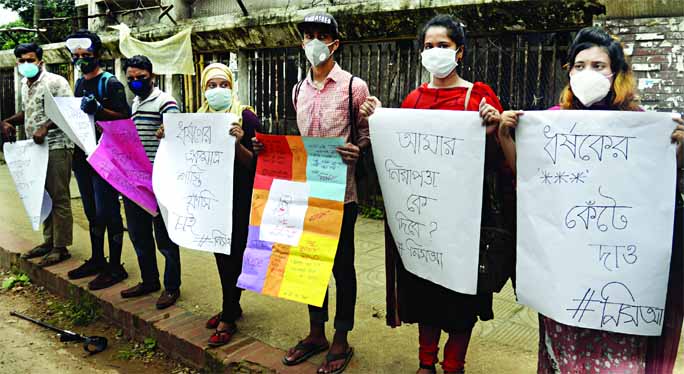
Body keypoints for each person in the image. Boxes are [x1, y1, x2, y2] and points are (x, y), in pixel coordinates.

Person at [498, 27, 684, 373]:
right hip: (565, 269)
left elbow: (662, 183)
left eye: (599, 66)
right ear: (568, 71)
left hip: (619, 276)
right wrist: (506, 136)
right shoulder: (551, 122)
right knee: (566, 352)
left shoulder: (642, 125)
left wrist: (681, 148)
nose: (588, 73)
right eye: (579, 65)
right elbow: (529, 178)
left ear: (616, 73)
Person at [363, 15, 510, 374]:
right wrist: (379, 121)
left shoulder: (479, 97)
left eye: (442, 45)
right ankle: (425, 362)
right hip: (423, 220)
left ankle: (453, 364)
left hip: (465, 223)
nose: (434, 52)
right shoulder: (413, 99)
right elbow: (400, 159)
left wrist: (494, 129)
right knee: (424, 290)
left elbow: (498, 162)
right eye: (428, 46)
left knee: (462, 296)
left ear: (459, 52)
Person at [252, 11, 378, 374]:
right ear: (301, 41)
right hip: (304, 193)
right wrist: (267, 154)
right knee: (308, 263)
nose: (314, 41)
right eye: (308, 35)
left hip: (342, 195)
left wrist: (361, 150)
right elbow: (300, 142)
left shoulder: (355, 86)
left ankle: (342, 336)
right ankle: (315, 333)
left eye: (321, 35)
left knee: (342, 267)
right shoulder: (297, 90)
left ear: (335, 43)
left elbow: (369, 135)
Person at [156, 63, 259, 345]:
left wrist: (237, 143)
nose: (218, 91)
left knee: (233, 255)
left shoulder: (245, 117)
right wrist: (168, 137)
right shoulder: (198, 120)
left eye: (223, 85)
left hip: (239, 201)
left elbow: (257, 165)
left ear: (232, 86)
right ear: (203, 90)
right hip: (210, 201)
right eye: (211, 86)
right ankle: (232, 305)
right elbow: (184, 158)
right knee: (220, 255)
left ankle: (228, 315)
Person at [65, 30, 131, 290]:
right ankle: (97, 259)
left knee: (108, 211)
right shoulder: (80, 84)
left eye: (87, 55)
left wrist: (100, 110)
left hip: (106, 157)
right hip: (83, 155)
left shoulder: (110, 83)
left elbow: (125, 119)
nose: (82, 60)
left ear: (98, 56)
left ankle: (116, 267)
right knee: (92, 211)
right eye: (77, 56)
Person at [1, 43, 75, 267]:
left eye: (30, 60)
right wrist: (8, 121)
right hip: (36, 148)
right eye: (22, 61)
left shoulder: (55, 82)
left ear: (40, 61)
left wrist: (46, 127)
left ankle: (60, 247)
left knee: (59, 195)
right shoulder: (25, 84)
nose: (26, 64)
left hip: (57, 145)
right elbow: (28, 112)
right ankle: (48, 241)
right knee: (43, 196)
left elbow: (68, 109)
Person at [119, 55, 182, 309]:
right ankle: (149, 280)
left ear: (152, 77)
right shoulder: (135, 102)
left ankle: (171, 286)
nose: (135, 82)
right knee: (138, 233)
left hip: (161, 179)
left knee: (165, 238)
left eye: (140, 78)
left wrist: (170, 130)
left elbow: (178, 133)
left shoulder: (165, 102)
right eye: (131, 78)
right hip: (136, 180)